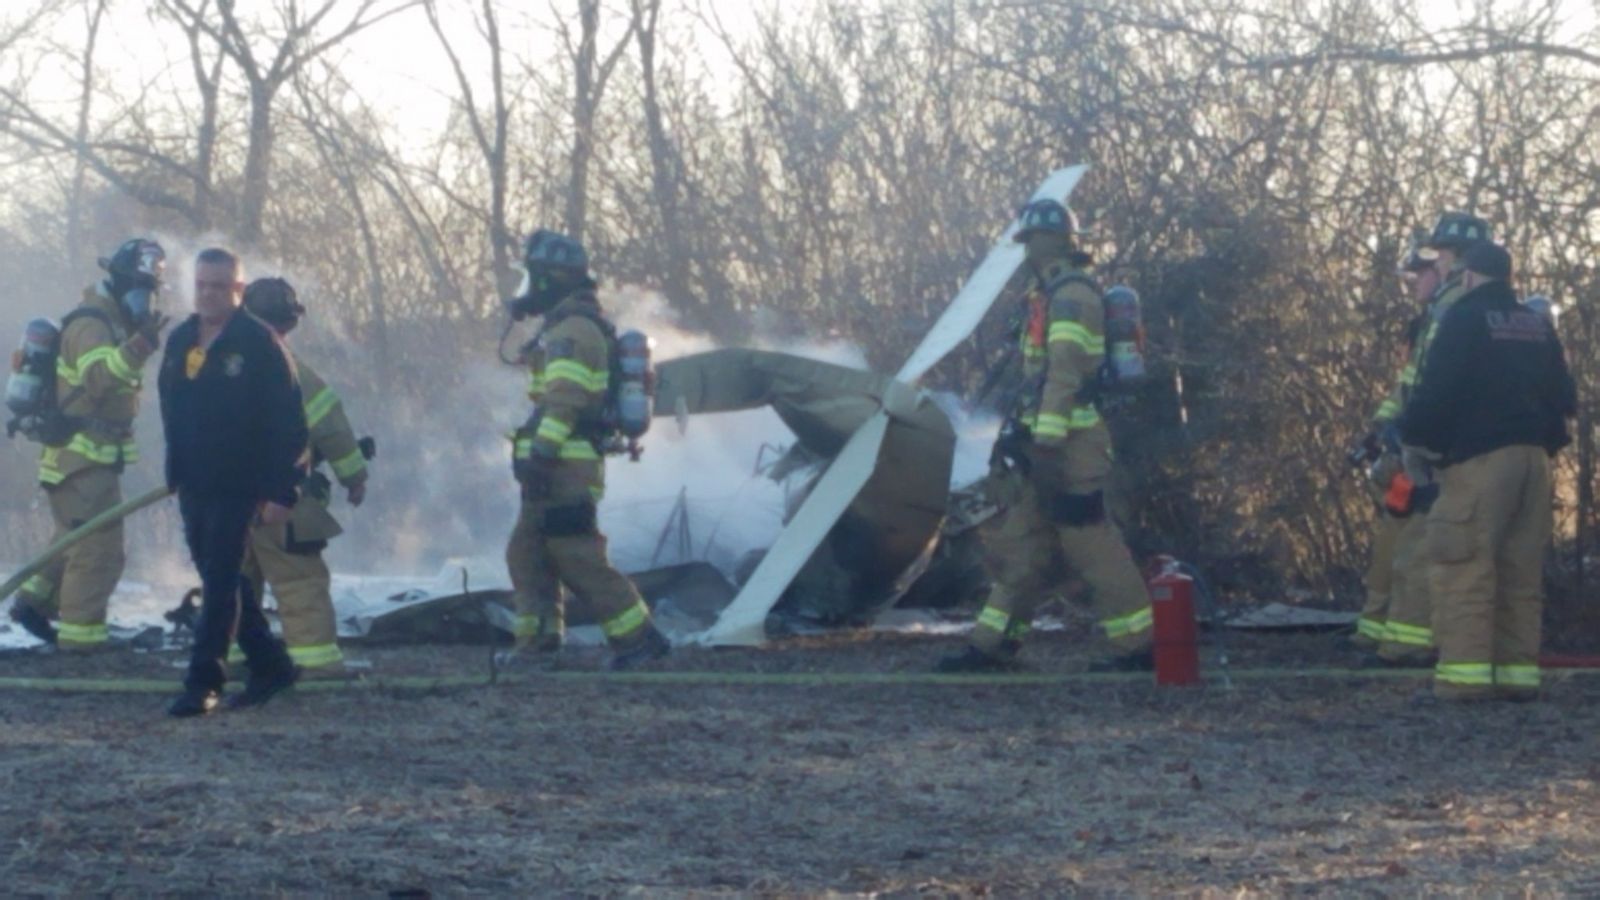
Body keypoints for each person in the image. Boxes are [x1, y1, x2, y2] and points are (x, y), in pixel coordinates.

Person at [938, 200, 1153, 673]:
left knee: (1090, 543)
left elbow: (1064, 374)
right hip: (1044, 442)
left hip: (1071, 445)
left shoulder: (1072, 297)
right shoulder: (1047, 294)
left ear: (1054, 242)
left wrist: (1049, 441)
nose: (1028, 250)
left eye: (1032, 241)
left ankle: (1142, 647)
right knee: (1023, 544)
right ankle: (991, 647)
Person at [1399, 240, 1576, 701]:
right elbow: (1565, 397)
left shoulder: (1463, 319)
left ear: (1469, 276)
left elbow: (1436, 392)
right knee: (1519, 572)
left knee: (1464, 567)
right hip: (1535, 463)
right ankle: (1518, 679)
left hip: (1479, 462)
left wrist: (1417, 442)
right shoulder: (1536, 325)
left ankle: (1464, 682)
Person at [503, 229, 669, 670]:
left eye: (531, 279)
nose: (525, 291)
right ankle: (537, 647)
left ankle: (639, 639)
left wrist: (540, 453)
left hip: (564, 465)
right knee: (528, 551)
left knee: (576, 555)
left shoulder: (574, 332)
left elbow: (566, 400)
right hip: (554, 464)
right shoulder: (564, 327)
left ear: (550, 280)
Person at [158, 248, 308, 717]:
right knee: (219, 575)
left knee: (221, 580)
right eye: (201, 284)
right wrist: (176, 470)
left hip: (240, 483)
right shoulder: (182, 339)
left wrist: (285, 490)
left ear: (238, 290)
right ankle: (271, 664)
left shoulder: (260, 345)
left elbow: (289, 423)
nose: (208, 294)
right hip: (195, 481)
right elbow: (173, 408)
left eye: (219, 286)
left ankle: (204, 682)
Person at [8, 239, 169, 650]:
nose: (144, 299)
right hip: (81, 457)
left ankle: (34, 604)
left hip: (85, 458)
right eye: (138, 287)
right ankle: (82, 640)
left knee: (73, 538)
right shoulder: (92, 325)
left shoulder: (112, 321)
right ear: (115, 280)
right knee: (99, 549)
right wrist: (137, 347)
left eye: (149, 290)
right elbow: (98, 379)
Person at [1371, 211, 1492, 666]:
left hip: (1442, 449)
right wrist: (1388, 429)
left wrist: (1418, 435)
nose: (1439, 265)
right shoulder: (1447, 307)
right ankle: (1400, 637)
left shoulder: (1458, 308)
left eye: (1442, 255)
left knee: (1424, 544)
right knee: (1408, 536)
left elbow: (1439, 383)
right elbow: (1414, 379)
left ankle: (1410, 645)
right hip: (1426, 441)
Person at [239, 278, 369, 676]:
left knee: (233, 581)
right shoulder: (293, 372)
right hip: (282, 497)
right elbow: (332, 430)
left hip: (226, 501)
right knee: (299, 581)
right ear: (286, 323)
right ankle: (315, 664)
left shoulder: (216, 363)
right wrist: (354, 477)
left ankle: (228, 658)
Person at [1353, 236, 1439, 655]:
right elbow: (1406, 387)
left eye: (1418, 275)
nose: (1412, 285)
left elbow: (1432, 392)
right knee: (1391, 544)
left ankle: (1406, 642)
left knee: (1414, 549)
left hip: (1429, 454)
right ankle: (1375, 630)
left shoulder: (1451, 322)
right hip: (1405, 450)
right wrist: (1381, 428)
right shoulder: (1424, 325)